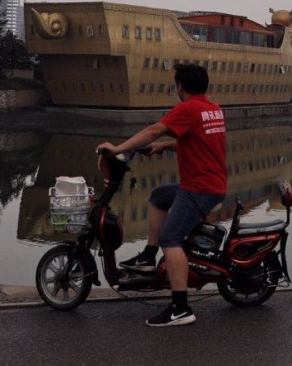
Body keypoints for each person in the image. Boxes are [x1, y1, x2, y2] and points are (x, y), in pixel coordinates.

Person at [96, 63, 227, 327]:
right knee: (158, 196)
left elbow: (154, 128)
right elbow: (200, 143)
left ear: (180, 86)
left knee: (172, 237)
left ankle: (180, 308)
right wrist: (165, 147)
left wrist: (117, 148)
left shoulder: (188, 109)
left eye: (175, 84)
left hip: (200, 188)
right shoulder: (212, 109)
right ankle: (148, 256)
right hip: (207, 183)